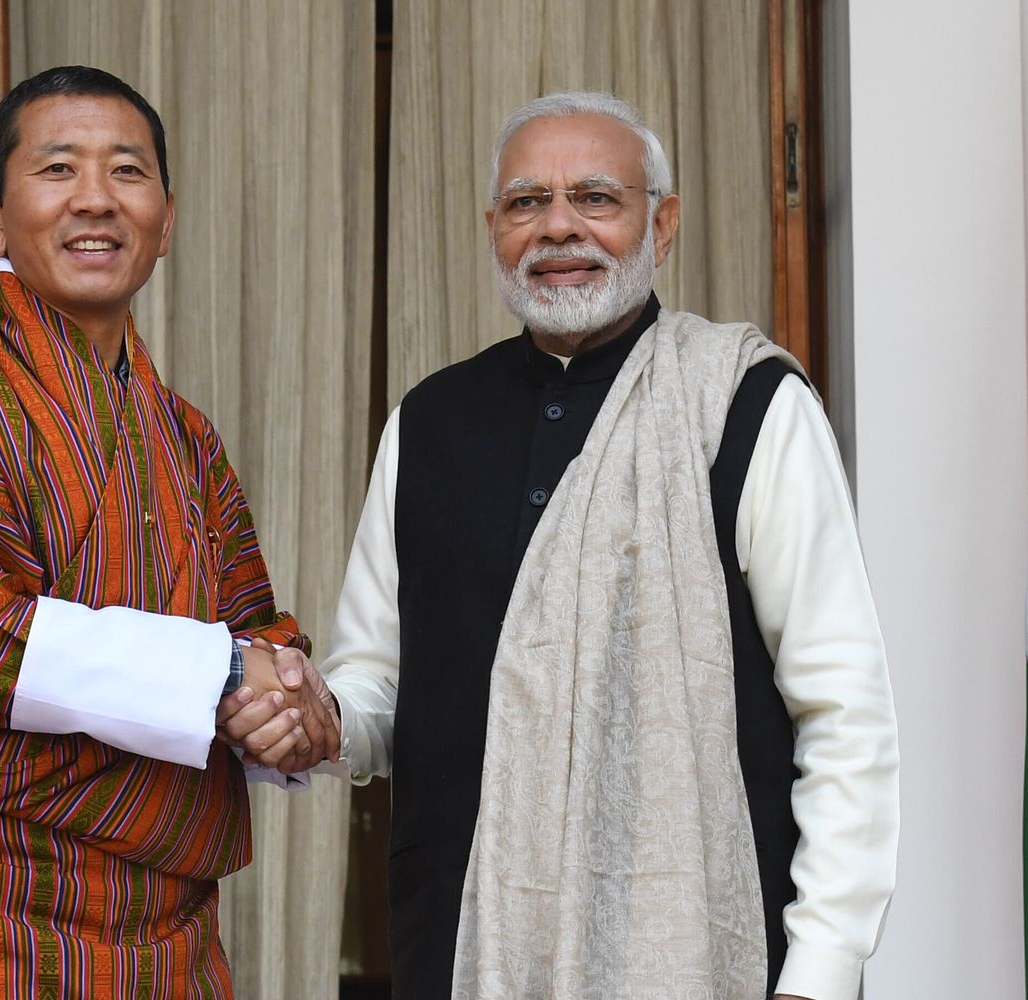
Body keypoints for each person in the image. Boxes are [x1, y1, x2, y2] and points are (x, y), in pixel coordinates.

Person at [222, 91, 898, 999]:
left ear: (662, 224)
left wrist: (823, 967)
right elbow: (378, 684)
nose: (558, 229)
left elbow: (842, 708)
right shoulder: (429, 423)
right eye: (525, 203)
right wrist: (321, 721)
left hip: (706, 950)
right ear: (492, 228)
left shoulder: (745, 405)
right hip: (462, 943)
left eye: (595, 198)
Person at [0, 65, 335, 998]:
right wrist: (226, 675)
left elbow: (255, 630)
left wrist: (291, 710)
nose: (96, 198)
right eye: (57, 169)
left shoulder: (184, 435)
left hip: (170, 922)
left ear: (166, 220)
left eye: (128, 171)